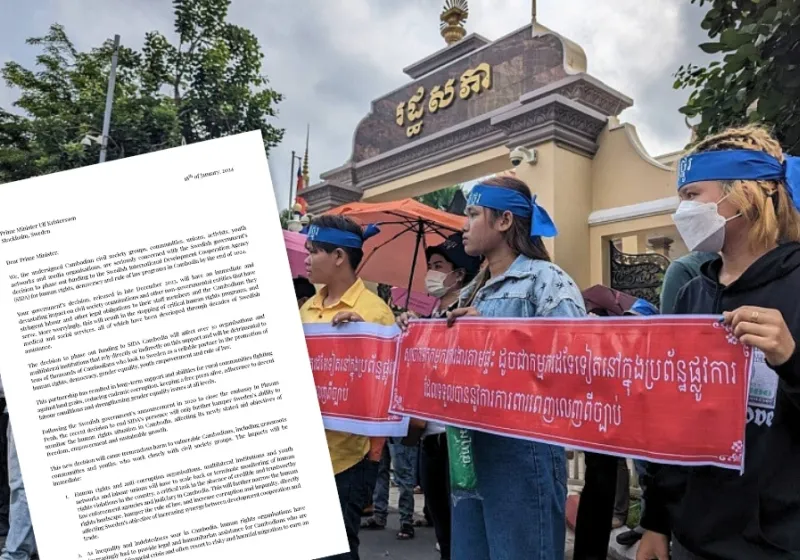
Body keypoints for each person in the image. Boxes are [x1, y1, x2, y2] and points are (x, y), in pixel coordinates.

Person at [637, 125, 800, 560]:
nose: (681, 211)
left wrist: (791, 360)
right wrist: (655, 520)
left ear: (744, 194)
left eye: (692, 195)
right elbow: (672, 419)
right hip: (693, 538)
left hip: (777, 545)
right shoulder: (693, 294)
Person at [445, 176, 587, 559]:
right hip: (469, 455)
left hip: (525, 460)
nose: (464, 224)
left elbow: (576, 368)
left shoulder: (547, 282)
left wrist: (495, 338)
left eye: (473, 214)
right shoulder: (472, 288)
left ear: (504, 221)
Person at [299, 215, 396, 560]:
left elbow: (386, 398)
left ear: (339, 257)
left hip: (347, 462)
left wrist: (371, 463)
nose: (306, 259)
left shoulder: (375, 315)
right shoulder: (306, 310)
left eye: (314, 251)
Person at [393, 232, 481, 559]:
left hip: (457, 438)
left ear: (458, 275)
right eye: (429, 266)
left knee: (463, 527)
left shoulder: (470, 314)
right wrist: (409, 332)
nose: (431, 273)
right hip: (427, 435)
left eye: (439, 266)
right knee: (441, 524)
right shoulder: (425, 318)